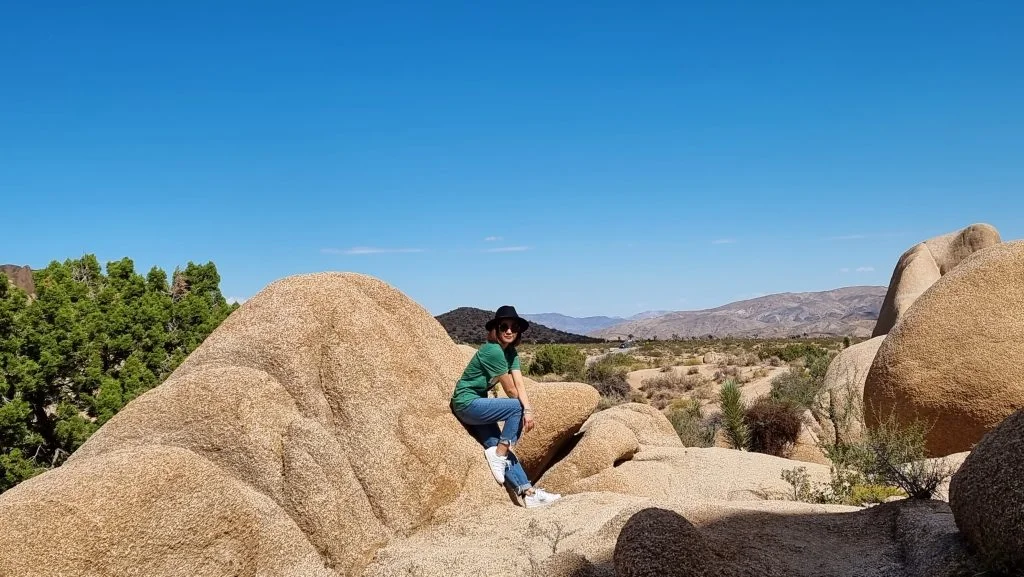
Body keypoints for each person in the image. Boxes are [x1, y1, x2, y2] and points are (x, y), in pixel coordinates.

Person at [450, 305, 562, 508]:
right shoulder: (492, 350)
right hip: (466, 403)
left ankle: (528, 492)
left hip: (478, 405)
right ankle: (500, 455)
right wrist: (523, 410)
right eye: (504, 326)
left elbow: (520, 384)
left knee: (498, 443)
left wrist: (528, 410)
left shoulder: (511, 353)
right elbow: (511, 391)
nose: (509, 331)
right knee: (512, 416)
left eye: (514, 327)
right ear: (496, 329)